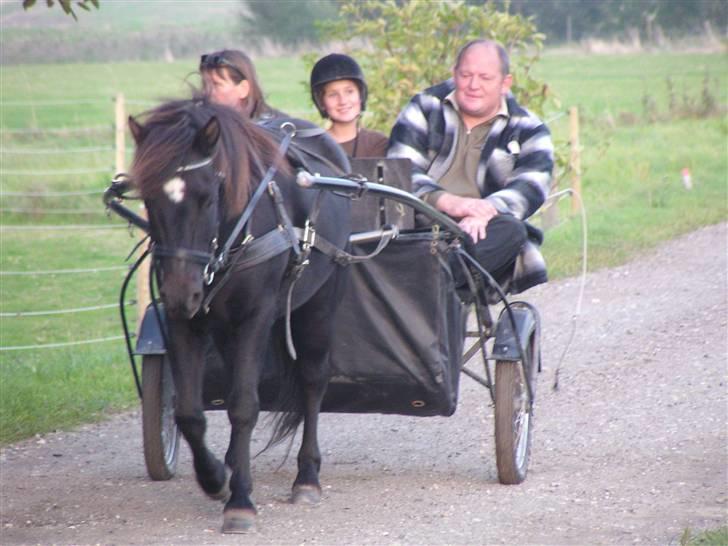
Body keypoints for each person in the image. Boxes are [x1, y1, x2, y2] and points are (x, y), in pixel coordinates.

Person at [387, 39, 553, 293]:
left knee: (512, 230)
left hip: (483, 233)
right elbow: (399, 167)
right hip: (418, 224)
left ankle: (430, 284)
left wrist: (484, 210)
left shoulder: (529, 128)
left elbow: (532, 185)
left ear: (505, 83)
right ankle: (432, 282)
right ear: (454, 74)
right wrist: (451, 203)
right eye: (466, 75)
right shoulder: (424, 106)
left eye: (485, 77)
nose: (474, 85)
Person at [310, 53, 388, 158]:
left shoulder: (378, 144)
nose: (343, 101)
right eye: (333, 95)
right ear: (321, 102)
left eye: (349, 92)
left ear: (361, 95)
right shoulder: (310, 147)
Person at [199, 49, 282, 120]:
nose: (206, 92)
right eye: (205, 85)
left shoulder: (279, 131)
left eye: (216, 85)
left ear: (243, 89)